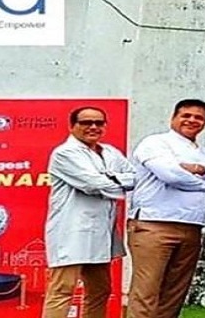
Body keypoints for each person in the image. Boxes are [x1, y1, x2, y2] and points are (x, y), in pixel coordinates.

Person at [128, 99, 205, 318]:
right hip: (154, 225)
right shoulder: (155, 143)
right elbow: (171, 175)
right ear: (174, 117)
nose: (192, 120)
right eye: (186, 115)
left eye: (199, 118)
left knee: (175, 293)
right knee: (146, 291)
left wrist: (200, 169)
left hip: (192, 227)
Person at [42, 106, 134, 318]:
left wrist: (108, 179)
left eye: (99, 123)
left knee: (100, 290)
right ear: (72, 126)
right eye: (86, 122)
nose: (93, 127)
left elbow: (134, 178)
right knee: (62, 289)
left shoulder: (110, 152)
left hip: (102, 232)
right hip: (72, 231)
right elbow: (92, 184)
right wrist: (114, 181)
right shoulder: (65, 153)